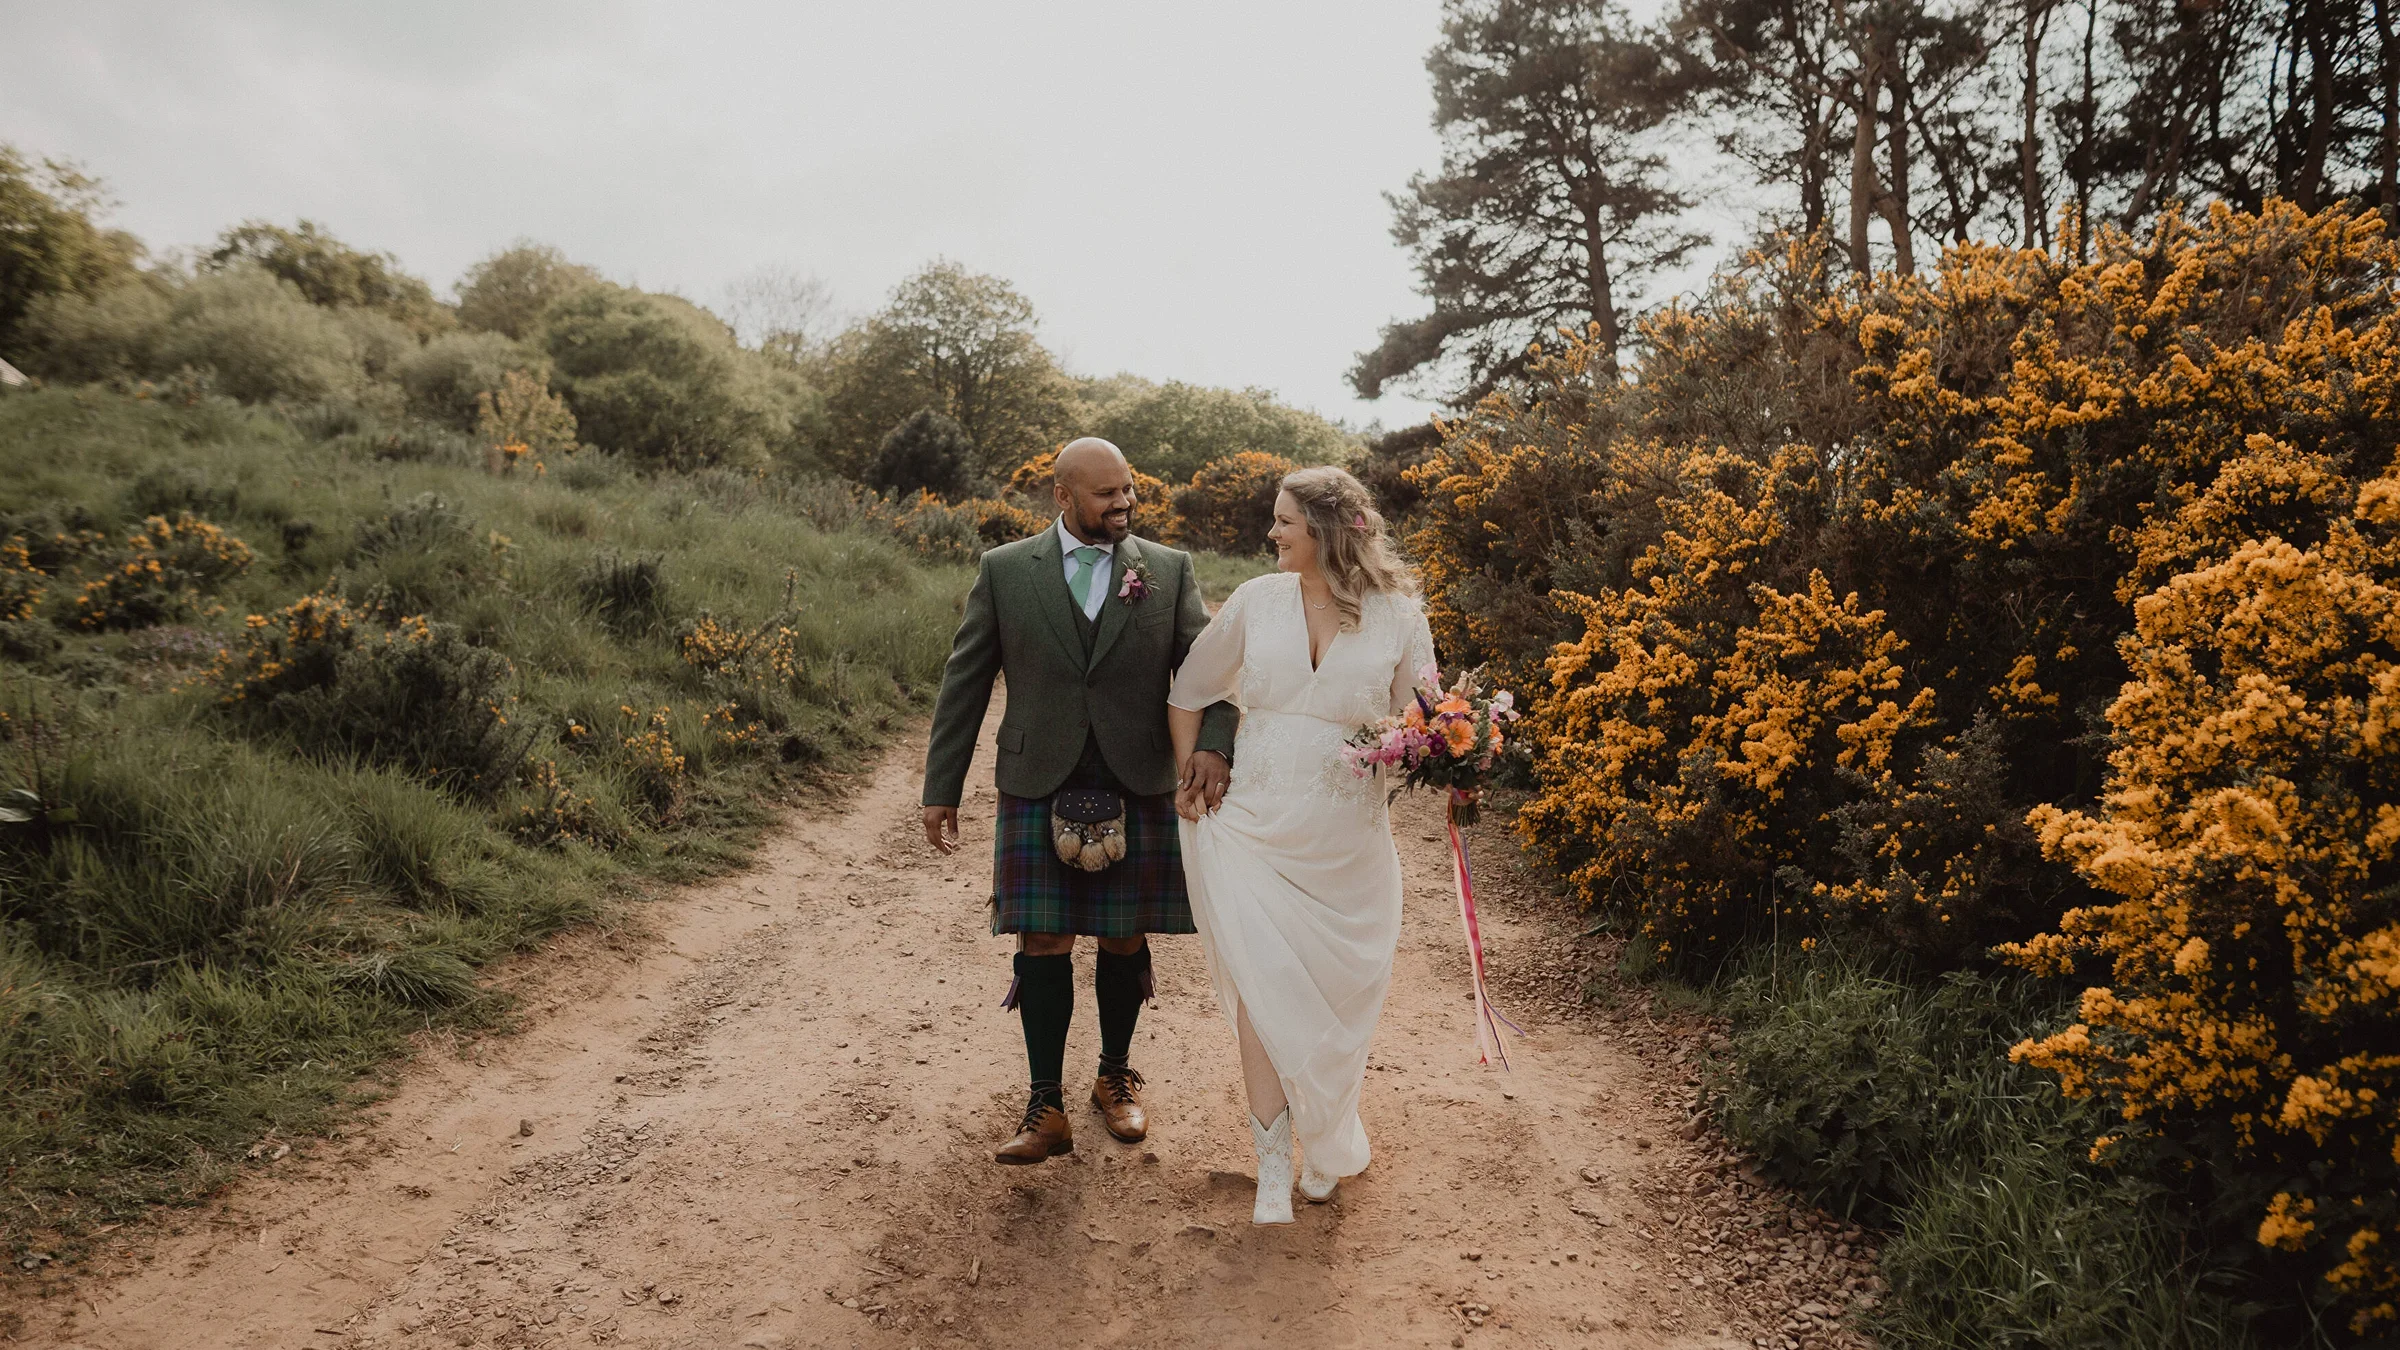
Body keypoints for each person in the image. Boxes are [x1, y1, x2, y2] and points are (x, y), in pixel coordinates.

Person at [921, 437, 1240, 1163]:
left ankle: (1113, 1079)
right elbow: (965, 681)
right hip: (1040, 777)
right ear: (1062, 496)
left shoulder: (1166, 570)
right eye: (1106, 494)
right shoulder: (1004, 572)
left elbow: (1209, 671)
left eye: (1129, 490)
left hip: (1138, 775)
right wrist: (941, 786)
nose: (1123, 503)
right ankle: (1045, 1104)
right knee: (1043, 938)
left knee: (1125, 935)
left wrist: (1214, 744)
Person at [1166, 465, 1434, 1225]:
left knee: (1339, 1004)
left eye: (1285, 521)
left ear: (1324, 529)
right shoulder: (1257, 600)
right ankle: (1274, 1163)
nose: (1273, 533)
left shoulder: (1399, 615)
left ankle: (1325, 1141)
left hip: (1349, 843)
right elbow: (1188, 689)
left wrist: (1448, 750)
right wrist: (1194, 766)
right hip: (1253, 827)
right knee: (1264, 990)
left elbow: (1424, 719)